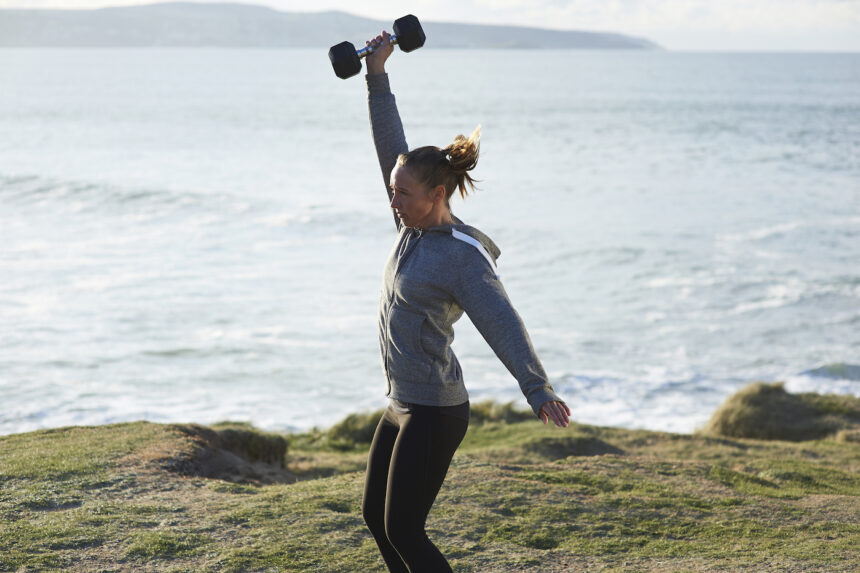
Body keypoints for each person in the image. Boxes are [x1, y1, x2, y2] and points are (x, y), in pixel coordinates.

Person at [360, 31, 571, 573]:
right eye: (391, 190)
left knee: (404, 528)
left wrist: (536, 387)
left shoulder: (461, 257)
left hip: (435, 409)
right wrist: (377, 75)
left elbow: (502, 320)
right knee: (376, 519)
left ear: (437, 195)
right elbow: (392, 147)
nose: (393, 199)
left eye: (401, 193)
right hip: (401, 400)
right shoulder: (410, 220)